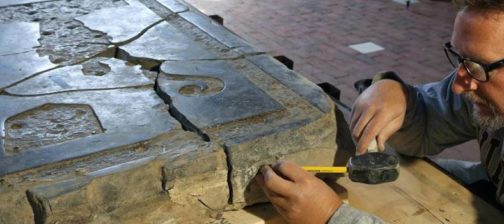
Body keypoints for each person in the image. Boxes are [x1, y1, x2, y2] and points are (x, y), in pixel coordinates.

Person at [255, 0, 504, 223]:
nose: (460, 85)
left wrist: (332, 217)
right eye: (460, 58)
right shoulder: (476, 87)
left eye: (477, 66)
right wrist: (400, 98)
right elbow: (427, 126)